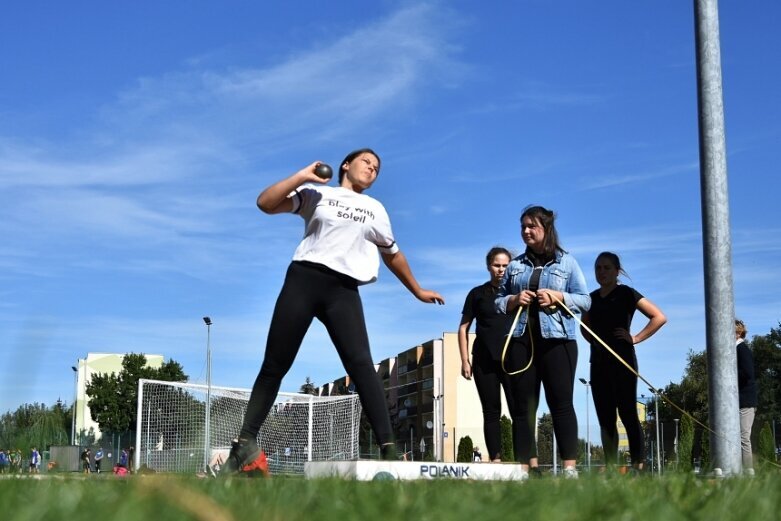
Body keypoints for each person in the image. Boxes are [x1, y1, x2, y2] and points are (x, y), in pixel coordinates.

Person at [221, 149, 445, 475]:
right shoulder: (319, 195)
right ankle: (244, 445)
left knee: (362, 366)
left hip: (343, 291)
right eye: (366, 162)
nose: (372, 168)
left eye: (377, 168)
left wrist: (417, 289)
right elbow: (265, 203)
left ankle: (389, 451)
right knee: (274, 365)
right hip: (303, 280)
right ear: (345, 165)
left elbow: (392, 255)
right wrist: (302, 176)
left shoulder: (375, 209)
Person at [495, 205, 590, 478]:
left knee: (561, 403)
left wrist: (559, 297)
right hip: (521, 341)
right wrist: (514, 299)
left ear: (546, 229)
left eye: (531, 226)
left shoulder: (567, 262)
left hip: (559, 342)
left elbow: (585, 300)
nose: (525, 231)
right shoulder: (514, 266)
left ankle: (570, 469)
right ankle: (529, 469)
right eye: (522, 227)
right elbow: (498, 301)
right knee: (524, 407)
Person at [580, 252, 666, 471]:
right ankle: (611, 466)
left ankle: (639, 465)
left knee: (628, 413)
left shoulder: (627, 293)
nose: (602, 272)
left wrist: (635, 338)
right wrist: (594, 340)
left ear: (617, 271)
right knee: (605, 418)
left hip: (623, 362)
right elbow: (584, 328)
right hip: (598, 364)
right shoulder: (590, 299)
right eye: (598, 268)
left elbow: (659, 317)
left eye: (607, 268)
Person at [735, 319, 757, 476]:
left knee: (743, 438)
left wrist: (729, 376)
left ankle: (749, 471)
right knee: (737, 437)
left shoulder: (742, 349)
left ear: (738, 333)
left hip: (746, 402)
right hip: (739, 402)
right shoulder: (736, 349)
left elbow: (748, 373)